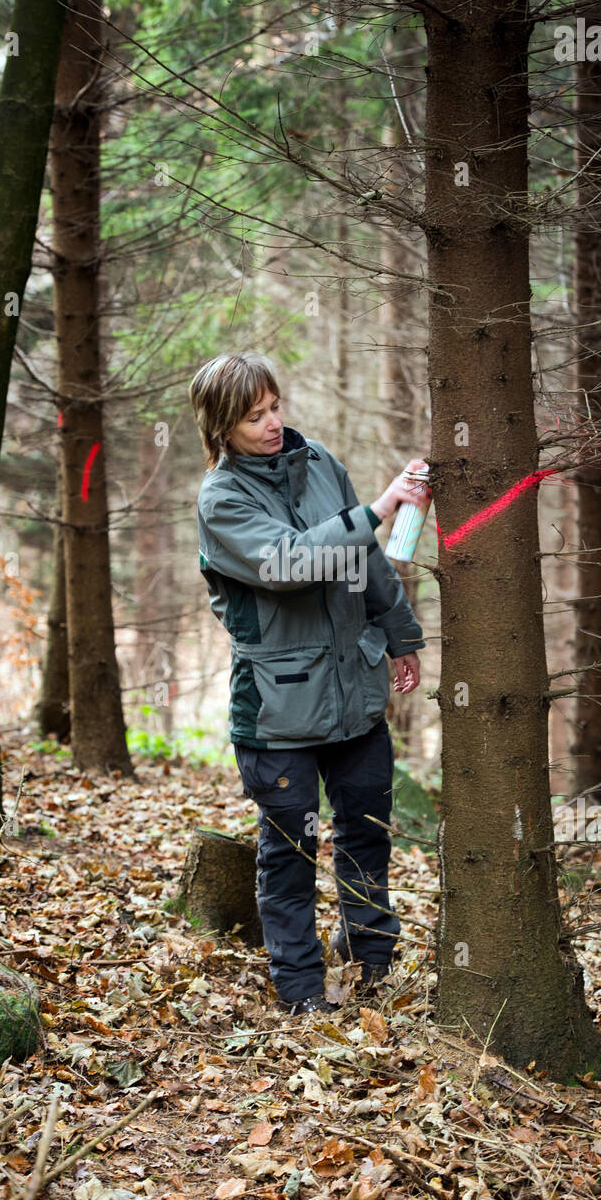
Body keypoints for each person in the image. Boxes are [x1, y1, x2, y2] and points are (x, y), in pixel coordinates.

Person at [189, 352, 429, 1016]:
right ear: (220, 428)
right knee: (290, 851)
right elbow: (291, 563)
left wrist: (401, 635)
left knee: (367, 833)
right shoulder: (221, 500)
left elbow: (363, 558)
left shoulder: (318, 461)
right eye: (252, 417)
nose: (271, 424)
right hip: (278, 710)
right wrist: (380, 506)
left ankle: (371, 965)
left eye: (273, 407)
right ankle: (299, 992)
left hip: (355, 694)